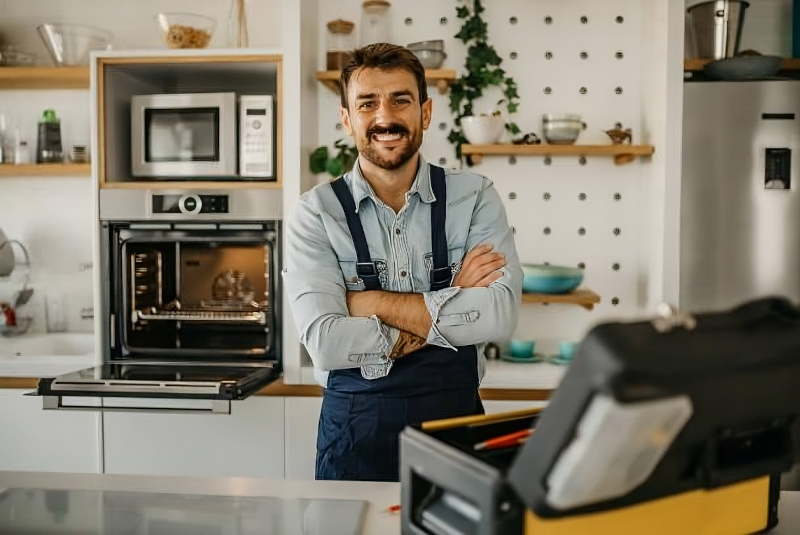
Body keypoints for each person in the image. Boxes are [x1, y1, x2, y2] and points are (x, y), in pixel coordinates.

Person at [284, 43, 522, 482]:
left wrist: (367, 302)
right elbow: (324, 342)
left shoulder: (475, 197)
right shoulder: (314, 213)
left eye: (400, 100)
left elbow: (499, 316)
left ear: (425, 113)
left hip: (455, 432)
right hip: (354, 439)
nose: (384, 117)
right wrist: (453, 301)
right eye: (367, 103)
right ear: (347, 118)